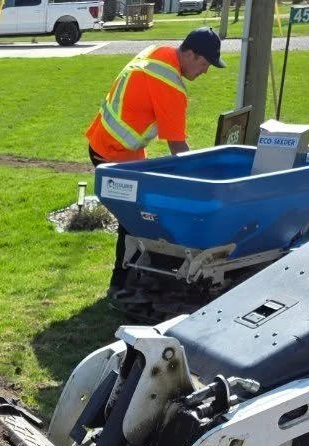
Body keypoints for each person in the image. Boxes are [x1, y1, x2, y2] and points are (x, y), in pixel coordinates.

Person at [86, 27, 225, 307]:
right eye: (204, 63)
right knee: (134, 223)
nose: (205, 71)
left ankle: (135, 280)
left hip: (110, 144)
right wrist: (203, 183)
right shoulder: (170, 86)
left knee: (140, 219)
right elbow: (178, 148)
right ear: (190, 53)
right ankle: (121, 286)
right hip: (113, 154)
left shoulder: (157, 52)